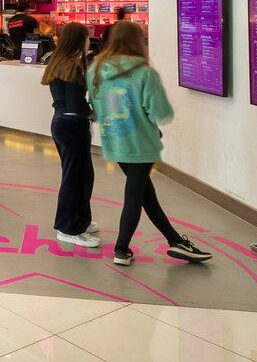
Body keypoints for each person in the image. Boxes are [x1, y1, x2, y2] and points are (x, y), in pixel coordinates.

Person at [89, 21, 212, 266]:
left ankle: (175, 241)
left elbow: (96, 105)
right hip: (141, 144)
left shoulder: (96, 69)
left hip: (114, 141)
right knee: (135, 195)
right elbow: (161, 112)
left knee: (146, 193)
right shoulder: (145, 73)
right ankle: (121, 249)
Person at [42, 22, 99, 247]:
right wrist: (93, 113)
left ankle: (81, 220)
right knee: (76, 178)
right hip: (72, 126)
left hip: (62, 124)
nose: (89, 41)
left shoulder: (59, 62)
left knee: (81, 175)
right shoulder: (73, 66)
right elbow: (77, 105)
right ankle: (68, 228)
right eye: (87, 37)